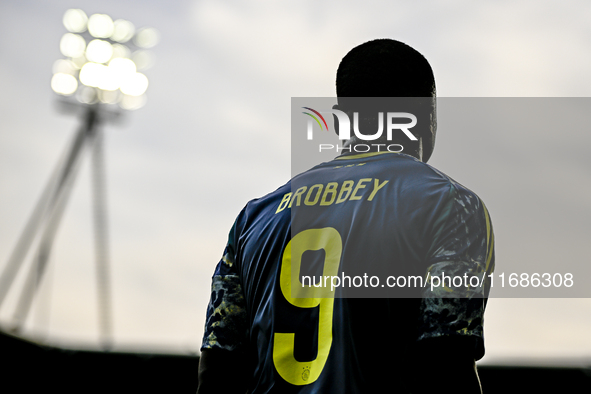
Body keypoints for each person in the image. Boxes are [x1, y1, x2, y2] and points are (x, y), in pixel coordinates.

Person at [197, 39, 495, 394]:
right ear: (427, 117)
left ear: (340, 122)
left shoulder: (254, 218)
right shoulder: (450, 204)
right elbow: (444, 363)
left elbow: (217, 371)